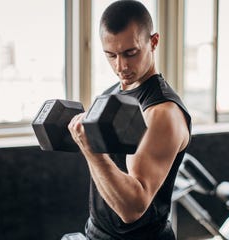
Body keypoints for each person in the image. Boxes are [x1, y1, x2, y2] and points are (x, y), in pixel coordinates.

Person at [68, 1, 191, 239]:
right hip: (97, 232)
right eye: (111, 55)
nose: (121, 66)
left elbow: (133, 208)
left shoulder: (161, 113)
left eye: (130, 53)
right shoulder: (110, 95)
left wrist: (91, 151)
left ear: (153, 42)